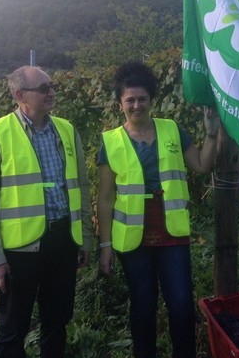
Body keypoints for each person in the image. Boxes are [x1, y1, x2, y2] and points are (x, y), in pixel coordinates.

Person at [96, 61, 219, 358]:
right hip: (132, 239)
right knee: (142, 305)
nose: (137, 105)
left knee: (180, 305)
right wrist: (105, 246)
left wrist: (213, 134)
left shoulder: (173, 130)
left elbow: (201, 165)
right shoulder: (110, 142)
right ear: (120, 103)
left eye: (142, 99)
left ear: (152, 100)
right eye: (130, 100)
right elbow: (106, 199)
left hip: (172, 233)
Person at [0, 65, 93, 358]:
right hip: (19, 251)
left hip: (63, 241)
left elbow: (81, 188)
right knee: (14, 327)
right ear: (19, 95)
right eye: (43, 88)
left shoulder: (66, 130)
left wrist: (84, 237)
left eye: (52, 86)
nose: (51, 92)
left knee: (57, 321)